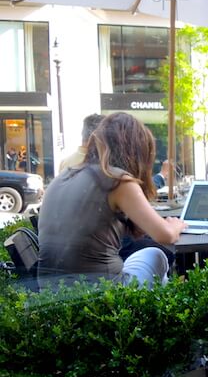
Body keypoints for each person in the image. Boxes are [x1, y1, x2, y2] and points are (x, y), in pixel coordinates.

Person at [37, 112, 187, 288]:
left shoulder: (63, 177)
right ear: (135, 150)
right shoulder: (118, 180)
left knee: (143, 258)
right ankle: (162, 307)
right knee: (157, 256)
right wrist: (176, 224)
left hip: (50, 290)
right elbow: (165, 235)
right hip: (101, 290)